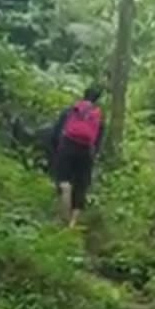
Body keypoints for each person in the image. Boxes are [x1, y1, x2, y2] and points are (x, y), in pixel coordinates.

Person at [50, 86, 104, 227]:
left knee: (63, 181)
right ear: (98, 100)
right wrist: (93, 156)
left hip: (67, 147)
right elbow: (98, 142)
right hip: (86, 152)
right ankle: (73, 225)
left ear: (83, 95)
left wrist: (57, 149)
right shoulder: (98, 117)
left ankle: (63, 215)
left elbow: (55, 133)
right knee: (81, 186)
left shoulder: (71, 111)